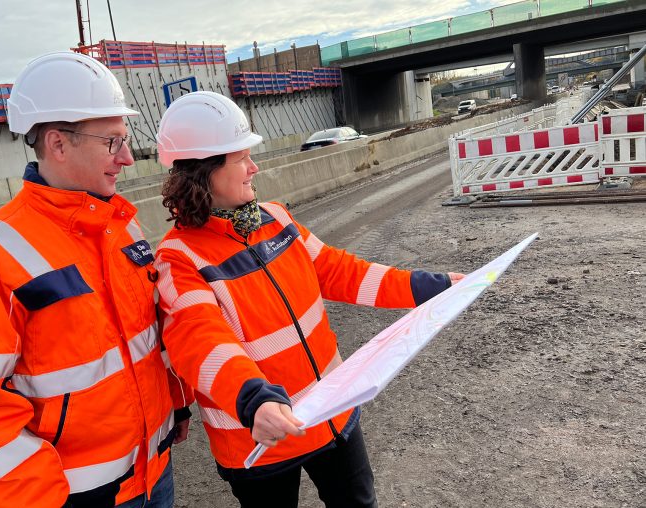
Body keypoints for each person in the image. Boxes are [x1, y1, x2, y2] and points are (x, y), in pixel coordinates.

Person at [153, 91, 464, 508]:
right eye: (242, 157)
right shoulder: (179, 257)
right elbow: (201, 341)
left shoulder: (276, 219)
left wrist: (431, 286)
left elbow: (342, 273)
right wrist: (253, 398)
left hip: (332, 415)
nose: (254, 167)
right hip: (260, 437)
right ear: (204, 171)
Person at [0, 52, 192, 508]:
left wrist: (175, 401)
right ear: (57, 144)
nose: (128, 158)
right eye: (113, 142)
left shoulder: (120, 226)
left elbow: (144, 339)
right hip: (74, 496)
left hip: (154, 471)